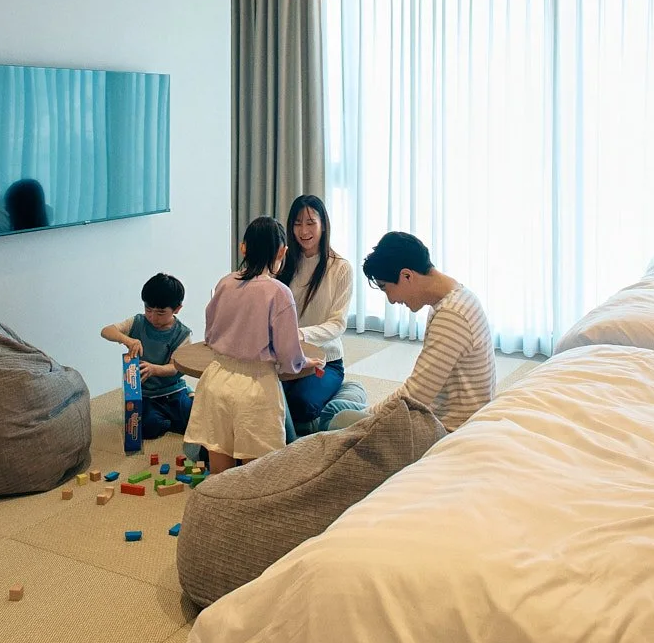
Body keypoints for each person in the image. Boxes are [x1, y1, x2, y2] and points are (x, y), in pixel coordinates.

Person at [195, 217, 324, 473]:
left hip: (215, 380)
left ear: (244, 248)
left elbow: (210, 335)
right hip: (254, 388)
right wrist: (304, 362)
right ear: (281, 251)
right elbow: (289, 355)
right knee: (257, 474)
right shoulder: (278, 292)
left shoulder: (224, 282)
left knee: (220, 469)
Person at [360, 230, 495, 432]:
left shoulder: (452, 315)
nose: (391, 300)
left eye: (385, 287)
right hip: (443, 418)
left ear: (407, 276)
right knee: (340, 409)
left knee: (339, 417)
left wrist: (363, 419)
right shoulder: (457, 297)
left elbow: (414, 396)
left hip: (446, 430)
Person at [275, 193, 352, 432]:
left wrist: (299, 334)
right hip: (287, 359)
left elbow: (337, 324)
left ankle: (350, 393)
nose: (303, 230)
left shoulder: (340, 268)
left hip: (325, 361)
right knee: (264, 400)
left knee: (300, 405)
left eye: (310, 223)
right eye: (297, 223)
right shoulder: (283, 263)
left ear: (323, 225)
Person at [97, 273, 194, 441]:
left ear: (177, 309)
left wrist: (154, 369)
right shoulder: (138, 322)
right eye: (148, 310)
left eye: (160, 313)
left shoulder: (182, 333)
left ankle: (188, 397)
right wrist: (127, 340)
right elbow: (106, 331)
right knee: (146, 428)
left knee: (195, 422)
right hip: (147, 395)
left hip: (173, 391)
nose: (153, 317)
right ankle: (167, 421)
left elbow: (175, 367)